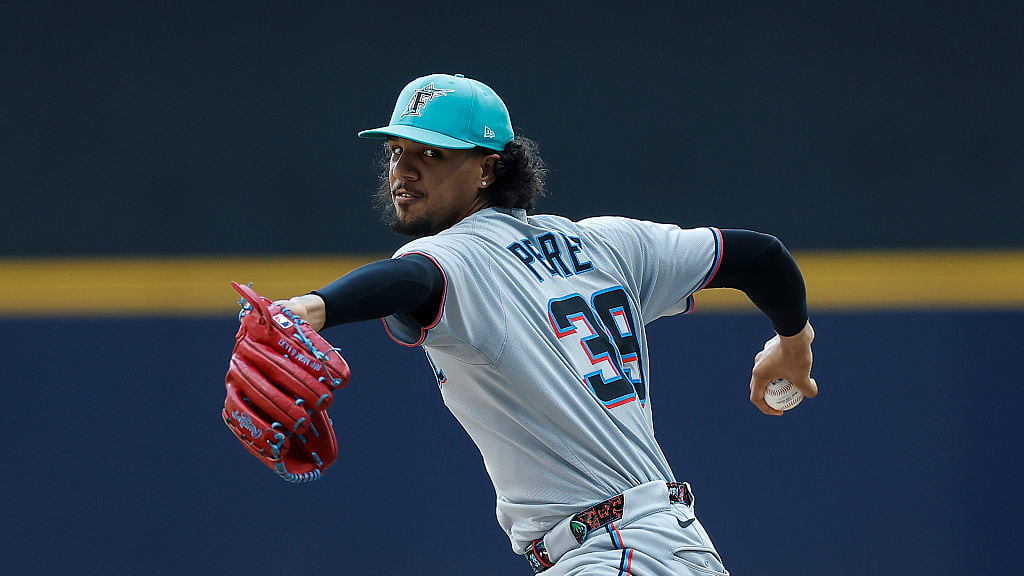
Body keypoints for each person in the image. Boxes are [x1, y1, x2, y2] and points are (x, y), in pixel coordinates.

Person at [277, 72, 817, 575]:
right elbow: (760, 258)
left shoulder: (461, 256)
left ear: (488, 168)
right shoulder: (608, 244)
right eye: (397, 152)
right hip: (673, 547)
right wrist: (794, 341)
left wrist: (315, 307)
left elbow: (413, 279)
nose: (404, 169)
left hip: (612, 552)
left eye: (432, 153)